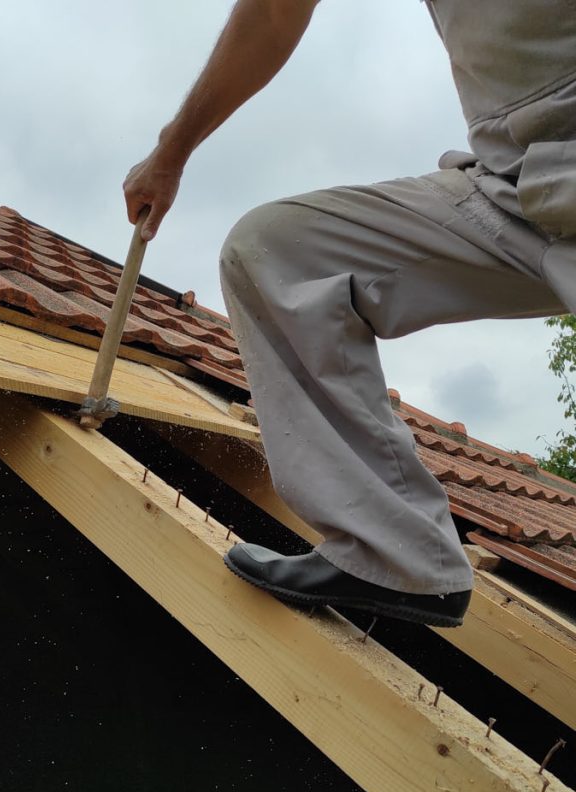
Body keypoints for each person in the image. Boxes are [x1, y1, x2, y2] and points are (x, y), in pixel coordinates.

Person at [123, 0, 573, 628]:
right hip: (509, 185)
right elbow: (276, 12)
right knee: (276, 251)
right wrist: (171, 151)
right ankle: (398, 557)